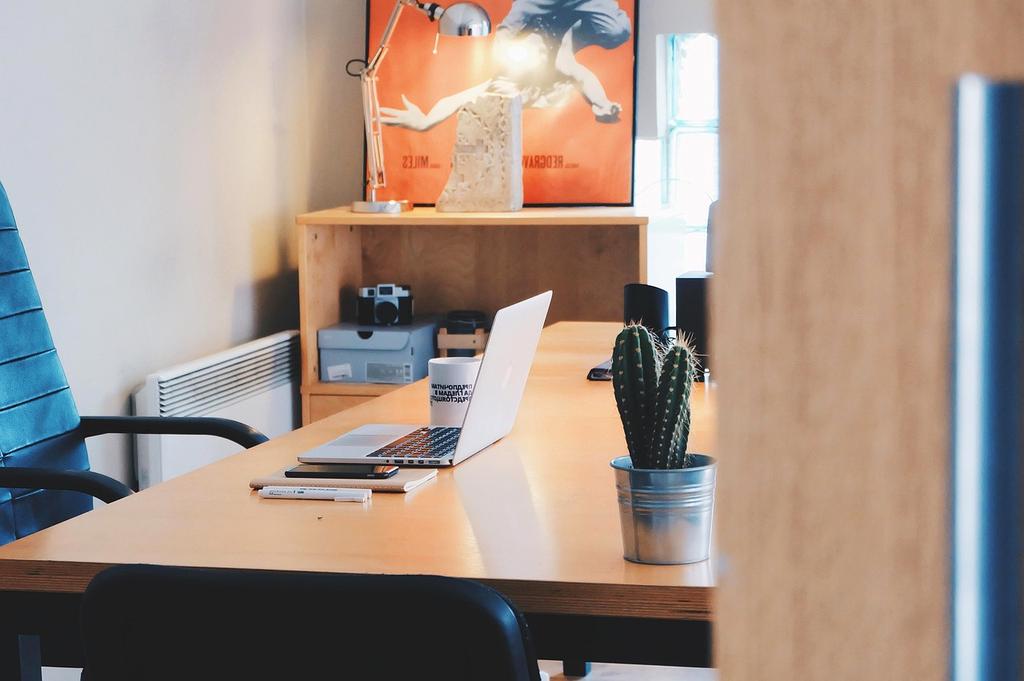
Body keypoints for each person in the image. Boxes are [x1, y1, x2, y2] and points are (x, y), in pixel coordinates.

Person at [379, 0, 632, 132]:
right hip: (567, 24)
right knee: (613, 31)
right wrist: (603, 104)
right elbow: (585, 79)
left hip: (560, 17)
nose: (538, 49)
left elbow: (455, 99)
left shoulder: (523, 53)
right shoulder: (560, 58)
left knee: (615, 30)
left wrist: (426, 120)